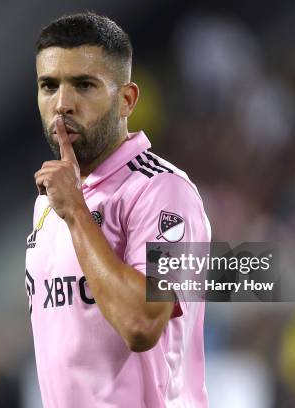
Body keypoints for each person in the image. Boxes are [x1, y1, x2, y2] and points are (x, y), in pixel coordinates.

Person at [25, 12, 211, 407]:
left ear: (126, 100)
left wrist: (75, 211)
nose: (62, 104)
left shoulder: (164, 192)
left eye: (84, 85)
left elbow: (142, 323)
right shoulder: (50, 202)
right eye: (49, 86)